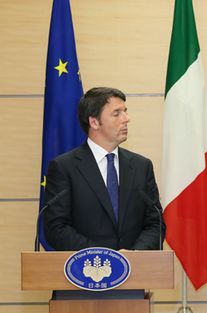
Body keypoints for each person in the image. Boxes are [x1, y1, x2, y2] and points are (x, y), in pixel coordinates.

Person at [44, 87, 165, 251]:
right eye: (117, 113)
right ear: (94, 122)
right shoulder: (65, 167)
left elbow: (155, 223)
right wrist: (103, 255)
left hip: (136, 269)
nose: (127, 119)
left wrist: (135, 254)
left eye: (125, 111)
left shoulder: (141, 166)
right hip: (86, 270)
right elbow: (56, 228)